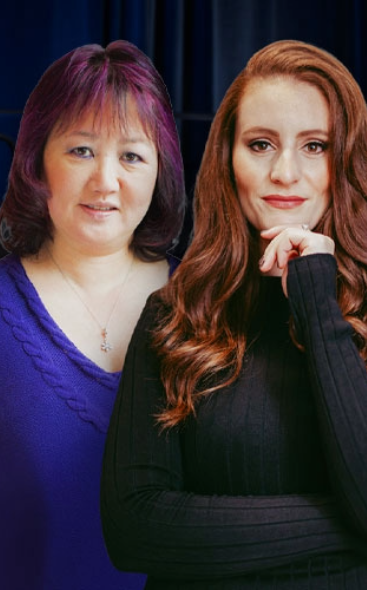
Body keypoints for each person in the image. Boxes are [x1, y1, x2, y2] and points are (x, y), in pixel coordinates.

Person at [100, 40, 367, 588]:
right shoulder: (173, 316)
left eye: (315, 146)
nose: (285, 172)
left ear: (346, 163)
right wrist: (363, 528)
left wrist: (316, 302)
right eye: (260, 144)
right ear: (228, 160)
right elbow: (134, 528)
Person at [0, 41, 185, 589]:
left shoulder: (208, 303)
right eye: (81, 150)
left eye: (132, 155)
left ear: (159, 174)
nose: (106, 181)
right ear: (37, 160)